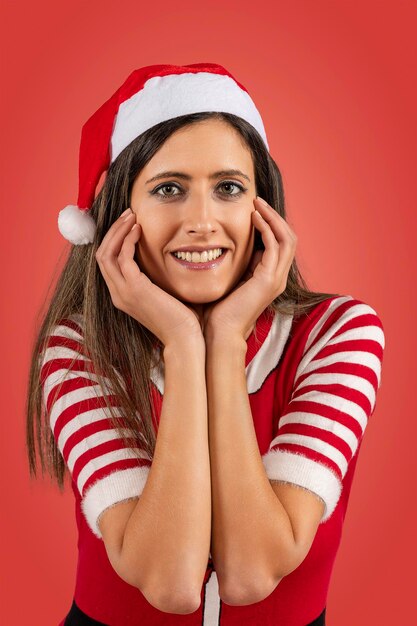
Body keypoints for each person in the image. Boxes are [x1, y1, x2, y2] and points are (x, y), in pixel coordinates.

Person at [26, 63, 385, 626]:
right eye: (168, 189)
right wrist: (183, 346)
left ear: (261, 208)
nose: (202, 220)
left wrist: (222, 341)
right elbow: (170, 584)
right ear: (120, 216)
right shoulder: (77, 350)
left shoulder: (341, 332)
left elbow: (251, 573)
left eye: (229, 188)